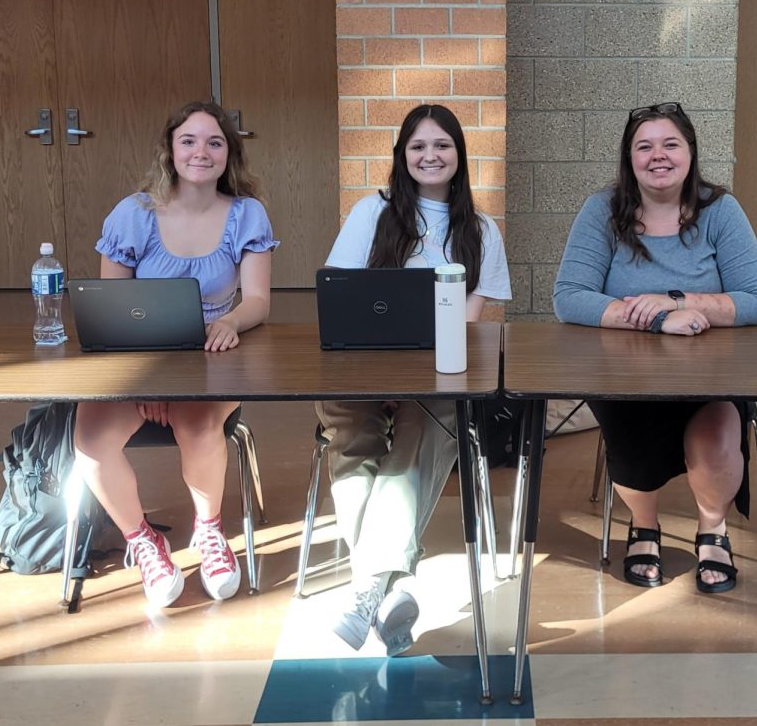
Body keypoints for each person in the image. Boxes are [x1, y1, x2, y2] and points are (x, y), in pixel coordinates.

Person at [553, 101, 757, 593]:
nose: (658, 156)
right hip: (624, 377)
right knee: (629, 440)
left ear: (690, 153)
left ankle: (712, 529)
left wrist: (677, 298)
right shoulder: (602, 211)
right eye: (644, 146)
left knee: (716, 440)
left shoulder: (721, 211)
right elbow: (569, 298)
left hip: (711, 376)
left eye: (670, 144)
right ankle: (644, 525)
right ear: (629, 159)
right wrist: (659, 319)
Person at [315, 103, 511, 654]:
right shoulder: (371, 213)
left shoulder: (482, 230)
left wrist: (420, 378)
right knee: (352, 430)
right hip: (362, 370)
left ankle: (367, 587)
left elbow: (468, 327)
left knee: (434, 417)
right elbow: (339, 293)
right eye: (418, 146)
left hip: (437, 376)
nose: (431, 155)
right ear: (403, 156)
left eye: (442, 145)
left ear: (459, 155)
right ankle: (395, 580)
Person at [73, 101, 277, 609]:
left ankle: (209, 533)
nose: (200, 152)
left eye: (214, 142)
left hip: (212, 357)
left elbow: (257, 302)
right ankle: (144, 540)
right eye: (189, 140)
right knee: (90, 444)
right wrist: (151, 385)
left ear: (229, 154)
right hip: (140, 360)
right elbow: (112, 309)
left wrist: (229, 321)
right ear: (170, 149)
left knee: (199, 426)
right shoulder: (133, 214)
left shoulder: (247, 214)